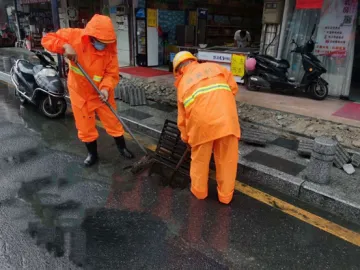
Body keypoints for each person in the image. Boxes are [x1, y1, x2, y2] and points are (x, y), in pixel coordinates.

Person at [41, 14, 134, 167]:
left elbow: (112, 74)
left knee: (113, 122)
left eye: (107, 42)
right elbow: (47, 39)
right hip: (80, 93)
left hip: (101, 94)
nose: (104, 45)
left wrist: (105, 89)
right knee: (85, 126)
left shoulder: (110, 50)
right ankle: (92, 154)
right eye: (101, 42)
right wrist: (64, 46)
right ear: (91, 36)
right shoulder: (73, 36)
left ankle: (122, 147)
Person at [172, 51, 241, 204]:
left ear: (178, 70)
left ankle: (199, 193)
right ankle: (225, 197)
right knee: (227, 162)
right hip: (227, 122)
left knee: (200, 161)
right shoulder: (216, 67)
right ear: (193, 60)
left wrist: (186, 138)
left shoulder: (183, 84)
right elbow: (233, 89)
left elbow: (182, 119)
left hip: (201, 127)